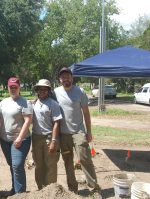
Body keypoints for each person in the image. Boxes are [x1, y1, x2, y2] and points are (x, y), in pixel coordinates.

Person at [53, 67, 102, 197]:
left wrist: (89, 132)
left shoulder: (80, 92)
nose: (66, 79)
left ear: (72, 78)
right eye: (63, 77)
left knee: (85, 159)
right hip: (63, 135)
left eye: (68, 76)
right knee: (68, 162)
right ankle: (73, 189)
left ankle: (94, 188)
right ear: (60, 79)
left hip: (79, 132)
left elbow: (86, 113)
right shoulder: (55, 92)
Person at [0, 77, 32, 195]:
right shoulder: (3, 102)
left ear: (19, 88)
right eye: (11, 87)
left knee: (17, 165)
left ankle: (20, 194)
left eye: (15, 87)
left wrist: (20, 138)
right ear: (8, 87)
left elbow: (28, 120)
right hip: (4, 140)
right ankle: (15, 190)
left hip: (21, 140)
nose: (13, 89)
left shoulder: (25, 102)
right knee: (12, 165)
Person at [31, 79, 62, 190]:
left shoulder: (53, 104)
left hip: (49, 137)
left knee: (51, 164)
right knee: (39, 164)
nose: (43, 91)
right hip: (36, 137)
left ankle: (50, 190)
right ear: (37, 90)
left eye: (45, 89)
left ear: (49, 91)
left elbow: (57, 123)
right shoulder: (33, 104)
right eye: (41, 89)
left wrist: (53, 141)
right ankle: (41, 189)